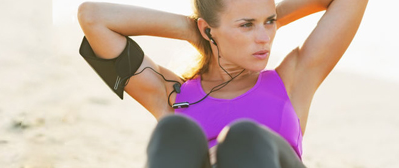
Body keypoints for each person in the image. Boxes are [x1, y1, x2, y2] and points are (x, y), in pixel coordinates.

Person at [77, 0, 367, 167]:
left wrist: (258, 17)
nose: (265, 37)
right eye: (246, 25)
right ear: (207, 28)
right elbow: (93, 17)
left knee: (243, 137)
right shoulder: (173, 95)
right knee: (173, 129)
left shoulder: (293, 78)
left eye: (269, 22)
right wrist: (196, 32)